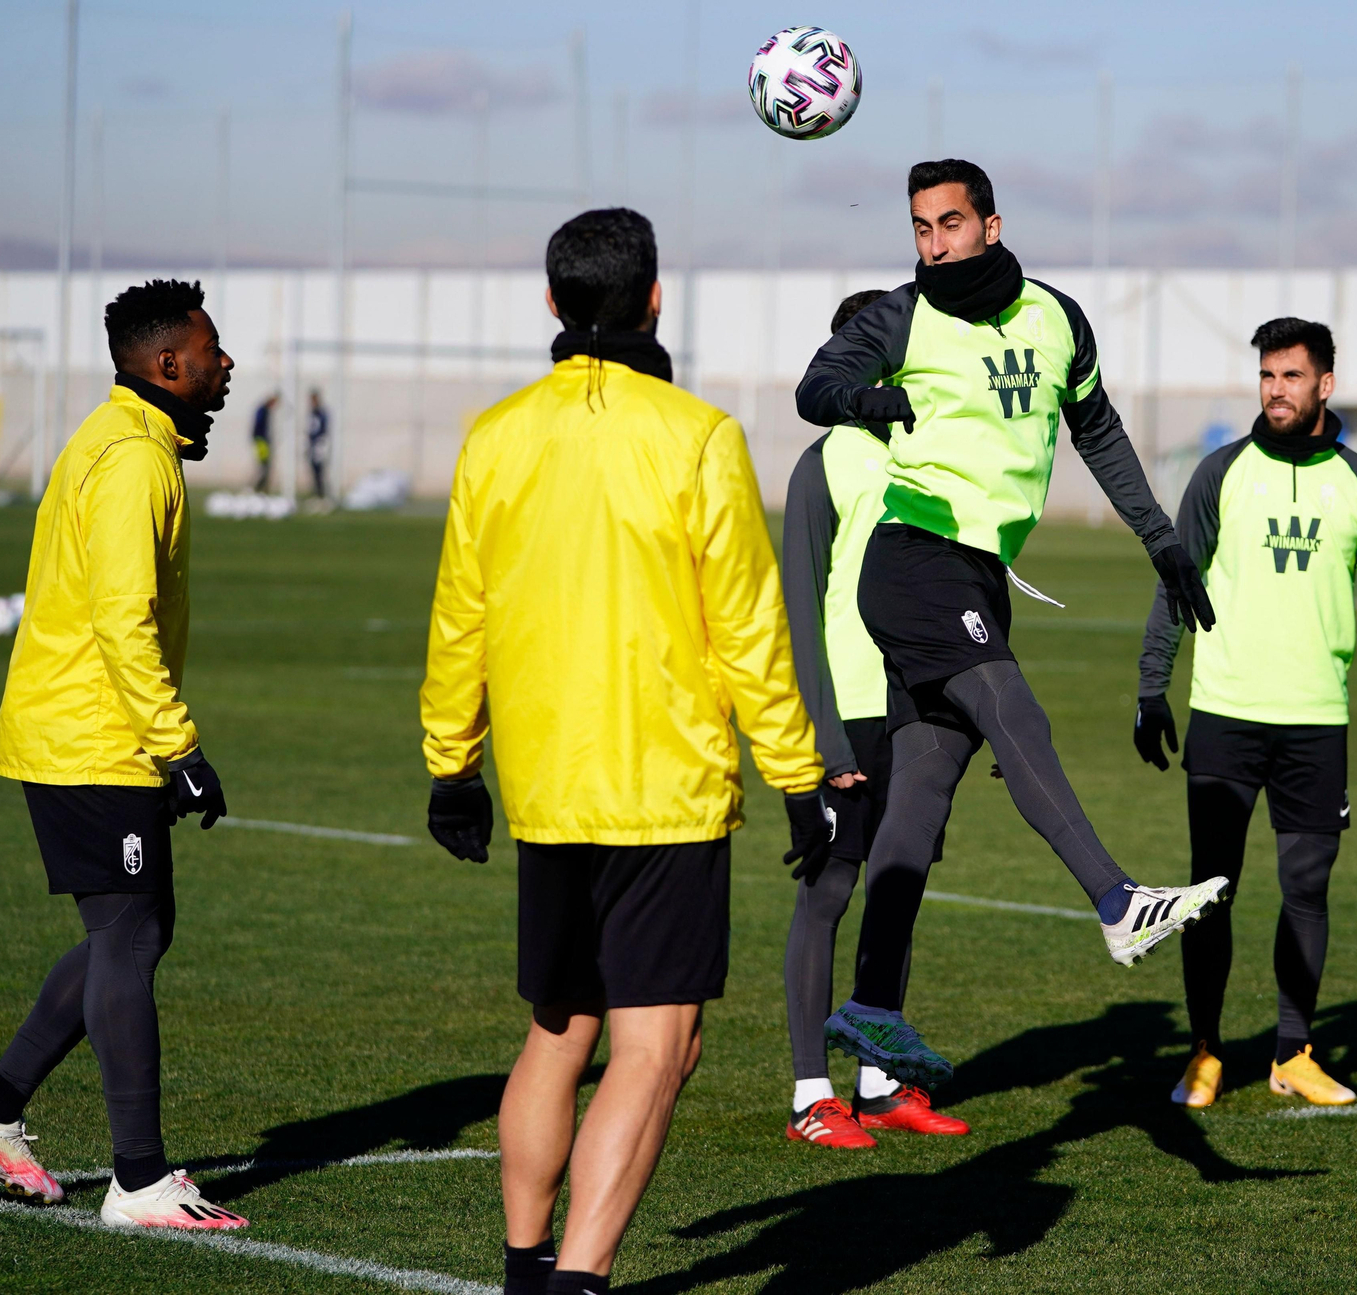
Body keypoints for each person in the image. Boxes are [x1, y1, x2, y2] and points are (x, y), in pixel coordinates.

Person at [420, 208, 829, 1295]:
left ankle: (525, 1269)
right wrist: (798, 776)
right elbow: (748, 625)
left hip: (548, 785)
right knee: (655, 1046)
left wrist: (452, 763)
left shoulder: (496, 434)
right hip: (664, 789)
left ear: (552, 302)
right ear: (653, 298)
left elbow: (460, 612)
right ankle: (578, 1282)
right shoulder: (698, 435)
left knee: (560, 1031)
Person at [795, 158, 1228, 1090]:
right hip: (915, 557)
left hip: (980, 572)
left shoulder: (1058, 318)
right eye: (921, 228)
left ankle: (871, 1004)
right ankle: (1117, 899)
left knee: (922, 792)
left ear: (990, 226)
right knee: (1011, 706)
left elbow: (1097, 430)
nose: (935, 244)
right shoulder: (902, 317)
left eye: (950, 223)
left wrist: (1159, 538)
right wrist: (865, 396)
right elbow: (816, 385)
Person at [0, 278, 243, 1231]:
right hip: (91, 735)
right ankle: (139, 1180)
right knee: (130, 936)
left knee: (136, 929)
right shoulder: (132, 458)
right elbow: (121, 616)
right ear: (168, 364)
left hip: (84, 729)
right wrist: (177, 745)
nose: (225, 362)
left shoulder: (128, 438)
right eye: (212, 350)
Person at [1136, 318, 1357, 1109]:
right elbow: (1175, 585)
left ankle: (1293, 1052)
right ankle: (1204, 1051)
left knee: (1307, 885)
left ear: (1326, 384)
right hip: (1224, 712)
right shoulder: (1220, 474)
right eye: (1267, 375)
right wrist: (1152, 688)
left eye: (1291, 376)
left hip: (1315, 719)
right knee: (1211, 889)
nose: (1276, 390)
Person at [780, 288, 969, 1149]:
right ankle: (811, 1093)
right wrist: (821, 736)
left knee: (899, 887)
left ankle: (880, 1081)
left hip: (923, 712)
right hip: (849, 716)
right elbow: (798, 606)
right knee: (830, 890)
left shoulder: (935, 458)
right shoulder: (822, 462)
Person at [252, 392, 278, 492]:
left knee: (265, 466)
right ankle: (258, 487)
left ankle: (262, 487)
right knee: (264, 466)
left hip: (263, 441)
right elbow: (258, 425)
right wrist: (264, 437)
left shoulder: (265, 411)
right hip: (261, 441)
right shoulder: (263, 411)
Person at [306, 388, 329, 498]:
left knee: (319, 468)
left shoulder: (320, 413)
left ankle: (321, 493)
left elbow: (321, 429)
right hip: (312, 444)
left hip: (319, 443)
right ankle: (317, 492)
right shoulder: (311, 413)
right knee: (313, 467)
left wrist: (320, 442)